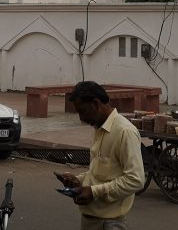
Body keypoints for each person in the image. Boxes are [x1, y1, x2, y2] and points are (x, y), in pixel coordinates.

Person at [56, 81, 144, 230]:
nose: (81, 118)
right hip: (91, 220)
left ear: (96, 104)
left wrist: (94, 191)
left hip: (109, 224)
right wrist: (78, 180)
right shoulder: (99, 129)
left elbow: (136, 180)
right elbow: (100, 172)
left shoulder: (124, 132)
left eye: (82, 111)